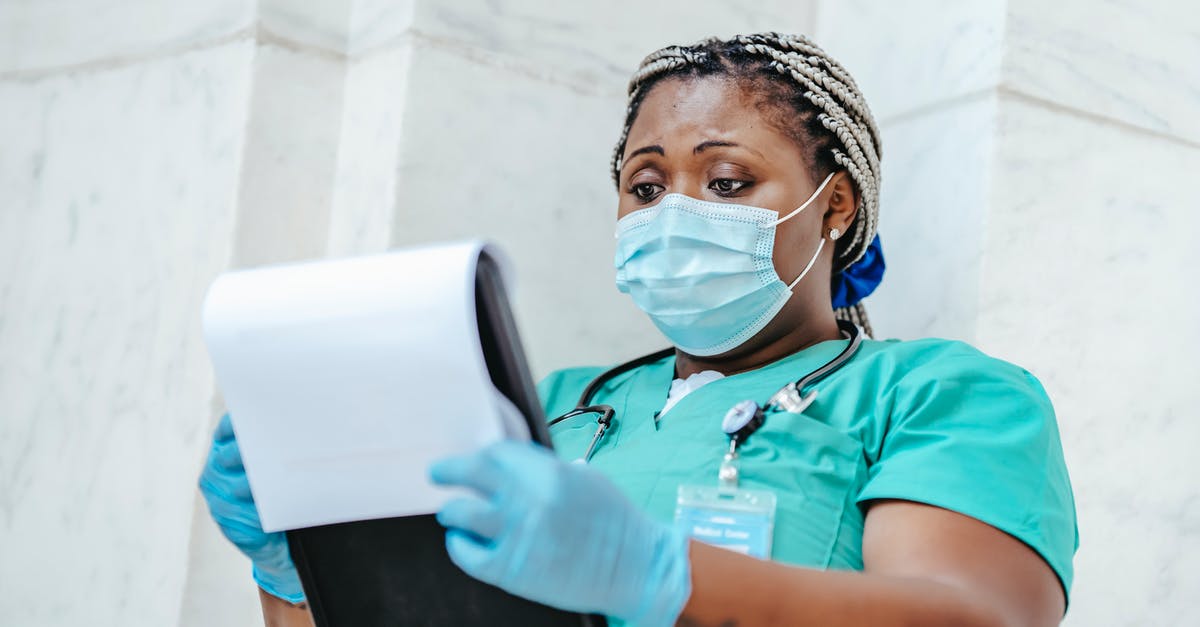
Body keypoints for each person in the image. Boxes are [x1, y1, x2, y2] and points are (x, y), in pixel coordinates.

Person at [200, 33, 1077, 626]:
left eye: (728, 181)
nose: (675, 214)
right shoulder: (548, 408)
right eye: (646, 187)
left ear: (836, 205)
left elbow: (973, 615)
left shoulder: (937, 395)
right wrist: (306, 561)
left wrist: (660, 572)